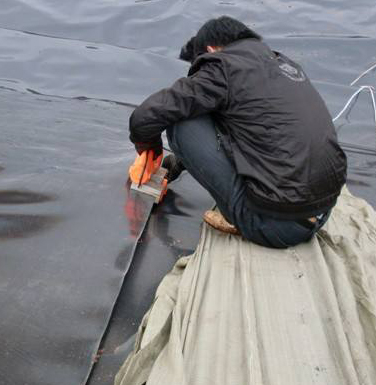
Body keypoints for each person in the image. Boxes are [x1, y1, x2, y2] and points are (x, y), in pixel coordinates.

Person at [128, 16, 347, 248]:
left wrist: (151, 151)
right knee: (215, 109)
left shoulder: (223, 68)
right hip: (322, 212)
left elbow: (146, 117)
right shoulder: (283, 65)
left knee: (180, 121)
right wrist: (178, 164)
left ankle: (244, 220)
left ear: (211, 49)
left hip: (273, 227)